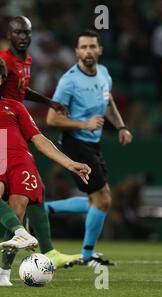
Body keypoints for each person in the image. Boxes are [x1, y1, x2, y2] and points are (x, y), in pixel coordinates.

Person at [0, 54, 91, 284]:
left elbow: (39, 139)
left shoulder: (14, 106)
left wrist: (70, 163)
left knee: (18, 207)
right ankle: (21, 233)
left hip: (20, 161)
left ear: (2, 81)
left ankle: (4, 272)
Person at [46, 30, 133, 266]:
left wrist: (121, 126)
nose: (88, 51)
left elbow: (109, 102)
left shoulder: (104, 74)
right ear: (76, 51)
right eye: (83, 47)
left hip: (93, 144)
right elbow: (52, 119)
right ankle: (87, 255)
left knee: (98, 200)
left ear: (100, 50)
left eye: (92, 46)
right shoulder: (69, 81)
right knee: (103, 199)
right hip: (75, 144)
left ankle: (44, 209)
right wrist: (84, 123)